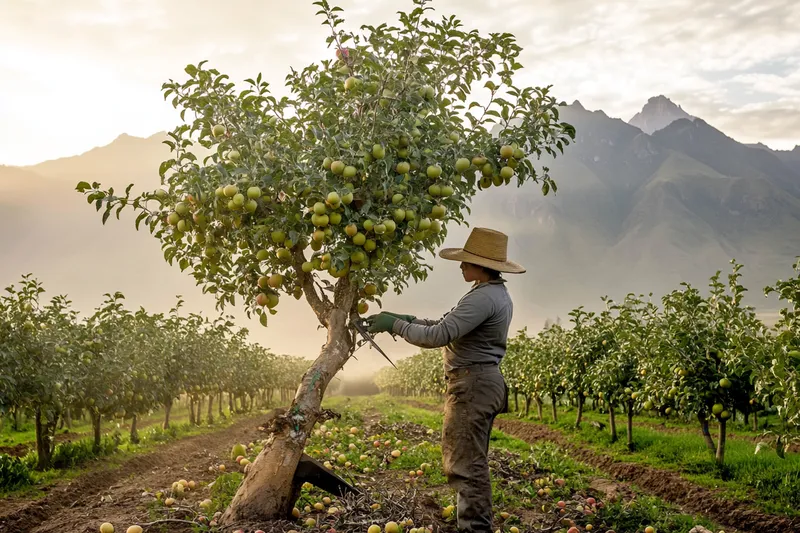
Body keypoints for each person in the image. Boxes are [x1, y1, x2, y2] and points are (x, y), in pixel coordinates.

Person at [367, 227, 525, 532]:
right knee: (470, 462)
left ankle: (475, 529)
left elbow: (437, 335)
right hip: (478, 382)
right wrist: (408, 320)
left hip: (473, 384)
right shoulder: (488, 293)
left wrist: (396, 325)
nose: (461, 266)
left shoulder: (483, 298)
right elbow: (443, 323)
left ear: (482, 265)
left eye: (466, 261)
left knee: (467, 467)